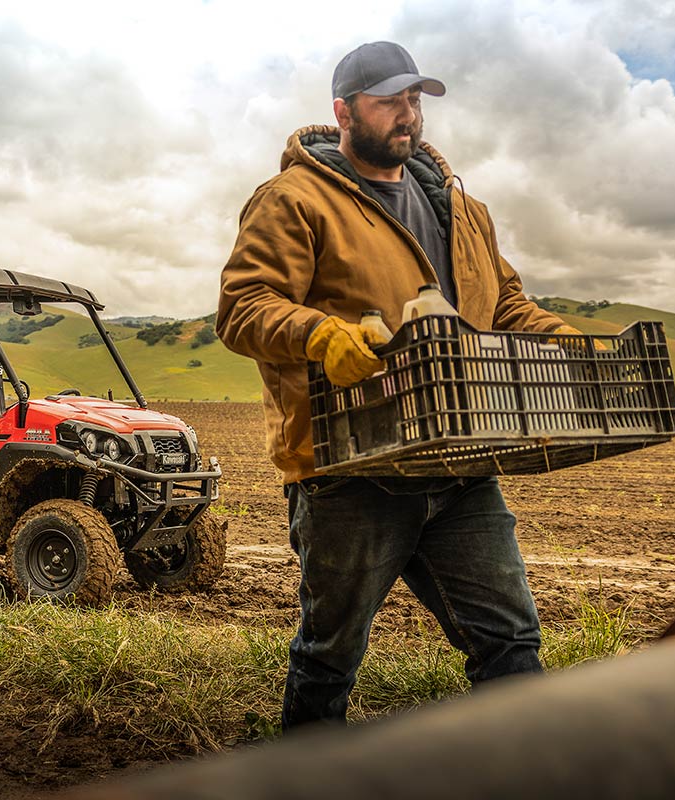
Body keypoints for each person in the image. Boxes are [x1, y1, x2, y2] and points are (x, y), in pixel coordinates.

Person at [216, 41, 583, 729]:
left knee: (510, 640)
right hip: (350, 466)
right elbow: (243, 308)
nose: (407, 115)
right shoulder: (295, 200)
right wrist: (319, 334)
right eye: (389, 101)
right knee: (331, 655)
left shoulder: (459, 207)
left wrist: (556, 338)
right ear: (344, 111)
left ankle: (529, 771)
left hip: (459, 458)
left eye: (414, 100)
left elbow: (502, 304)